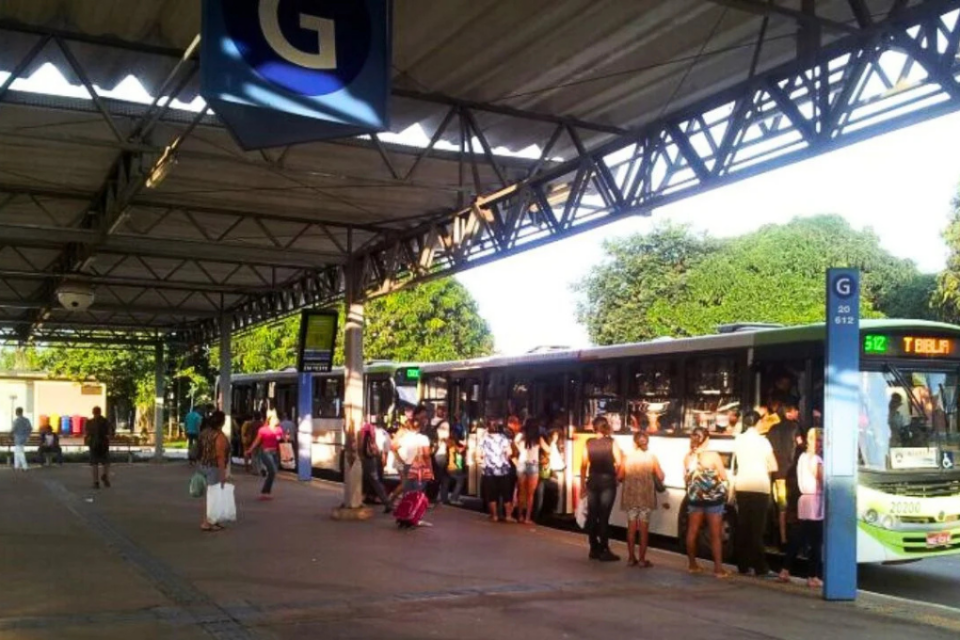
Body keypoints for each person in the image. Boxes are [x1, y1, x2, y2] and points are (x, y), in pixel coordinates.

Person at [733, 411, 778, 577]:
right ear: (758, 423)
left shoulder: (738, 440)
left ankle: (743, 565)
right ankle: (760, 567)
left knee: (743, 527)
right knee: (757, 529)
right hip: (760, 486)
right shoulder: (763, 441)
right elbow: (773, 466)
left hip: (742, 485)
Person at [779, 428, 824, 588]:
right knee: (816, 541)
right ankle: (813, 576)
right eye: (818, 440)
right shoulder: (817, 460)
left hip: (803, 500)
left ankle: (785, 569)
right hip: (815, 502)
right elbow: (822, 480)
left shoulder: (802, 458)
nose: (820, 443)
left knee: (799, 537)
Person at [684, 427, 730, 578]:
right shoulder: (713, 455)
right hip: (713, 499)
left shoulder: (688, 457)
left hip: (695, 499)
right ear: (707, 439)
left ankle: (692, 565)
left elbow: (686, 479)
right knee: (715, 535)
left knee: (692, 531)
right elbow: (723, 476)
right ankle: (718, 569)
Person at [581, 416, 623, 562]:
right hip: (607, 482)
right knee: (604, 516)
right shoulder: (611, 442)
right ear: (605, 427)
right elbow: (619, 462)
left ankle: (593, 548)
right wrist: (617, 478)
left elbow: (584, 465)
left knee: (593, 515)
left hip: (592, 481)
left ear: (594, 428)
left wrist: (582, 485)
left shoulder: (588, 443)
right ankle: (604, 550)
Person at [619, 431, 664, 567]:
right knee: (644, 530)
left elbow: (620, 476)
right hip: (646, 497)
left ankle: (631, 558)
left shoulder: (627, 457)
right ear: (647, 442)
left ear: (634, 442)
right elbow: (660, 476)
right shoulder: (652, 457)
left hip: (631, 497)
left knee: (631, 528)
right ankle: (642, 560)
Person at [766, 401, 800, 547]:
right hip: (791, 473)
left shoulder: (772, 429)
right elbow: (800, 443)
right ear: (789, 413)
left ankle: (782, 538)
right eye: (795, 411)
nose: (798, 414)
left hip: (777, 474)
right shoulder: (795, 427)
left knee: (781, 506)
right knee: (792, 506)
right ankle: (793, 539)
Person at [198, 410, 230, 532]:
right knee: (213, 496)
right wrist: (223, 474)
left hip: (203, 465)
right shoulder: (219, 436)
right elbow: (220, 456)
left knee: (210, 495)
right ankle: (207, 522)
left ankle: (213, 520)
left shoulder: (204, 433)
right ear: (221, 422)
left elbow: (199, 449)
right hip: (214, 468)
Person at [479, 421, 515, 522]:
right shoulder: (504, 438)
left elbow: (479, 454)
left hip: (489, 470)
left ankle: (494, 515)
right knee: (506, 493)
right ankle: (508, 516)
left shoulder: (484, 439)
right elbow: (509, 452)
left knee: (491, 494)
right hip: (503, 469)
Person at [515, 417, 547, 524]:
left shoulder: (521, 436)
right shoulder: (538, 438)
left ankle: (519, 516)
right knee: (530, 494)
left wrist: (520, 450)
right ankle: (527, 518)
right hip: (533, 464)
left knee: (521, 492)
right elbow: (548, 449)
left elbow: (514, 442)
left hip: (521, 463)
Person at [245, 413, 284, 500]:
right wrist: (250, 450)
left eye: (276, 418)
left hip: (275, 453)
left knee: (273, 473)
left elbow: (282, 440)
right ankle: (265, 492)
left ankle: (266, 493)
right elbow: (257, 441)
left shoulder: (279, 430)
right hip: (266, 452)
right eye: (274, 418)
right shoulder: (263, 430)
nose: (276, 419)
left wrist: (286, 439)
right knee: (272, 471)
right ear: (269, 420)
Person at [360, 419, 392, 513]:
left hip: (366, 460)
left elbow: (360, 446)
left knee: (370, 481)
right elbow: (381, 449)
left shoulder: (364, 431)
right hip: (373, 458)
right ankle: (386, 502)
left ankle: (386, 503)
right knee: (375, 481)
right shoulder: (383, 433)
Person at [396, 419, 432, 494]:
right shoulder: (423, 438)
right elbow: (426, 455)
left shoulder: (405, 437)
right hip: (419, 467)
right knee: (418, 491)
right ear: (419, 428)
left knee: (407, 490)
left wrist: (400, 459)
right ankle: (417, 505)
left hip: (407, 465)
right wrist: (430, 469)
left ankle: (408, 504)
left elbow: (394, 447)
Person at [85, 407, 112, 488]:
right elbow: (110, 432)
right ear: (100, 412)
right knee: (106, 462)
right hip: (103, 444)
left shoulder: (89, 422)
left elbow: (87, 433)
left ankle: (96, 482)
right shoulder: (105, 421)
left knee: (94, 464)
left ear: (93, 412)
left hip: (94, 445)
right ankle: (105, 475)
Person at [431, 405, 452, 505]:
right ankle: (443, 498)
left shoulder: (430, 422)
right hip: (441, 452)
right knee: (444, 477)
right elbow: (445, 439)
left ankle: (432, 496)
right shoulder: (445, 424)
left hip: (432, 452)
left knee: (435, 475)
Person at [445, 431, 467, 505]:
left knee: (459, 480)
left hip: (450, 467)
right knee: (460, 481)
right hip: (454, 467)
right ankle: (454, 498)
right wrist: (465, 446)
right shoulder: (453, 444)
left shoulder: (448, 443)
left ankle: (454, 497)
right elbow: (459, 450)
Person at [11, 407, 32, 472]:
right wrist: (27, 435)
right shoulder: (26, 420)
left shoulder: (16, 421)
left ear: (17, 412)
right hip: (24, 438)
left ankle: (25, 467)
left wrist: (10, 435)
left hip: (18, 438)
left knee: (20, 453)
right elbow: (30, 428)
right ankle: (16, 466)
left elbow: (14, 429)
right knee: (17, 452)